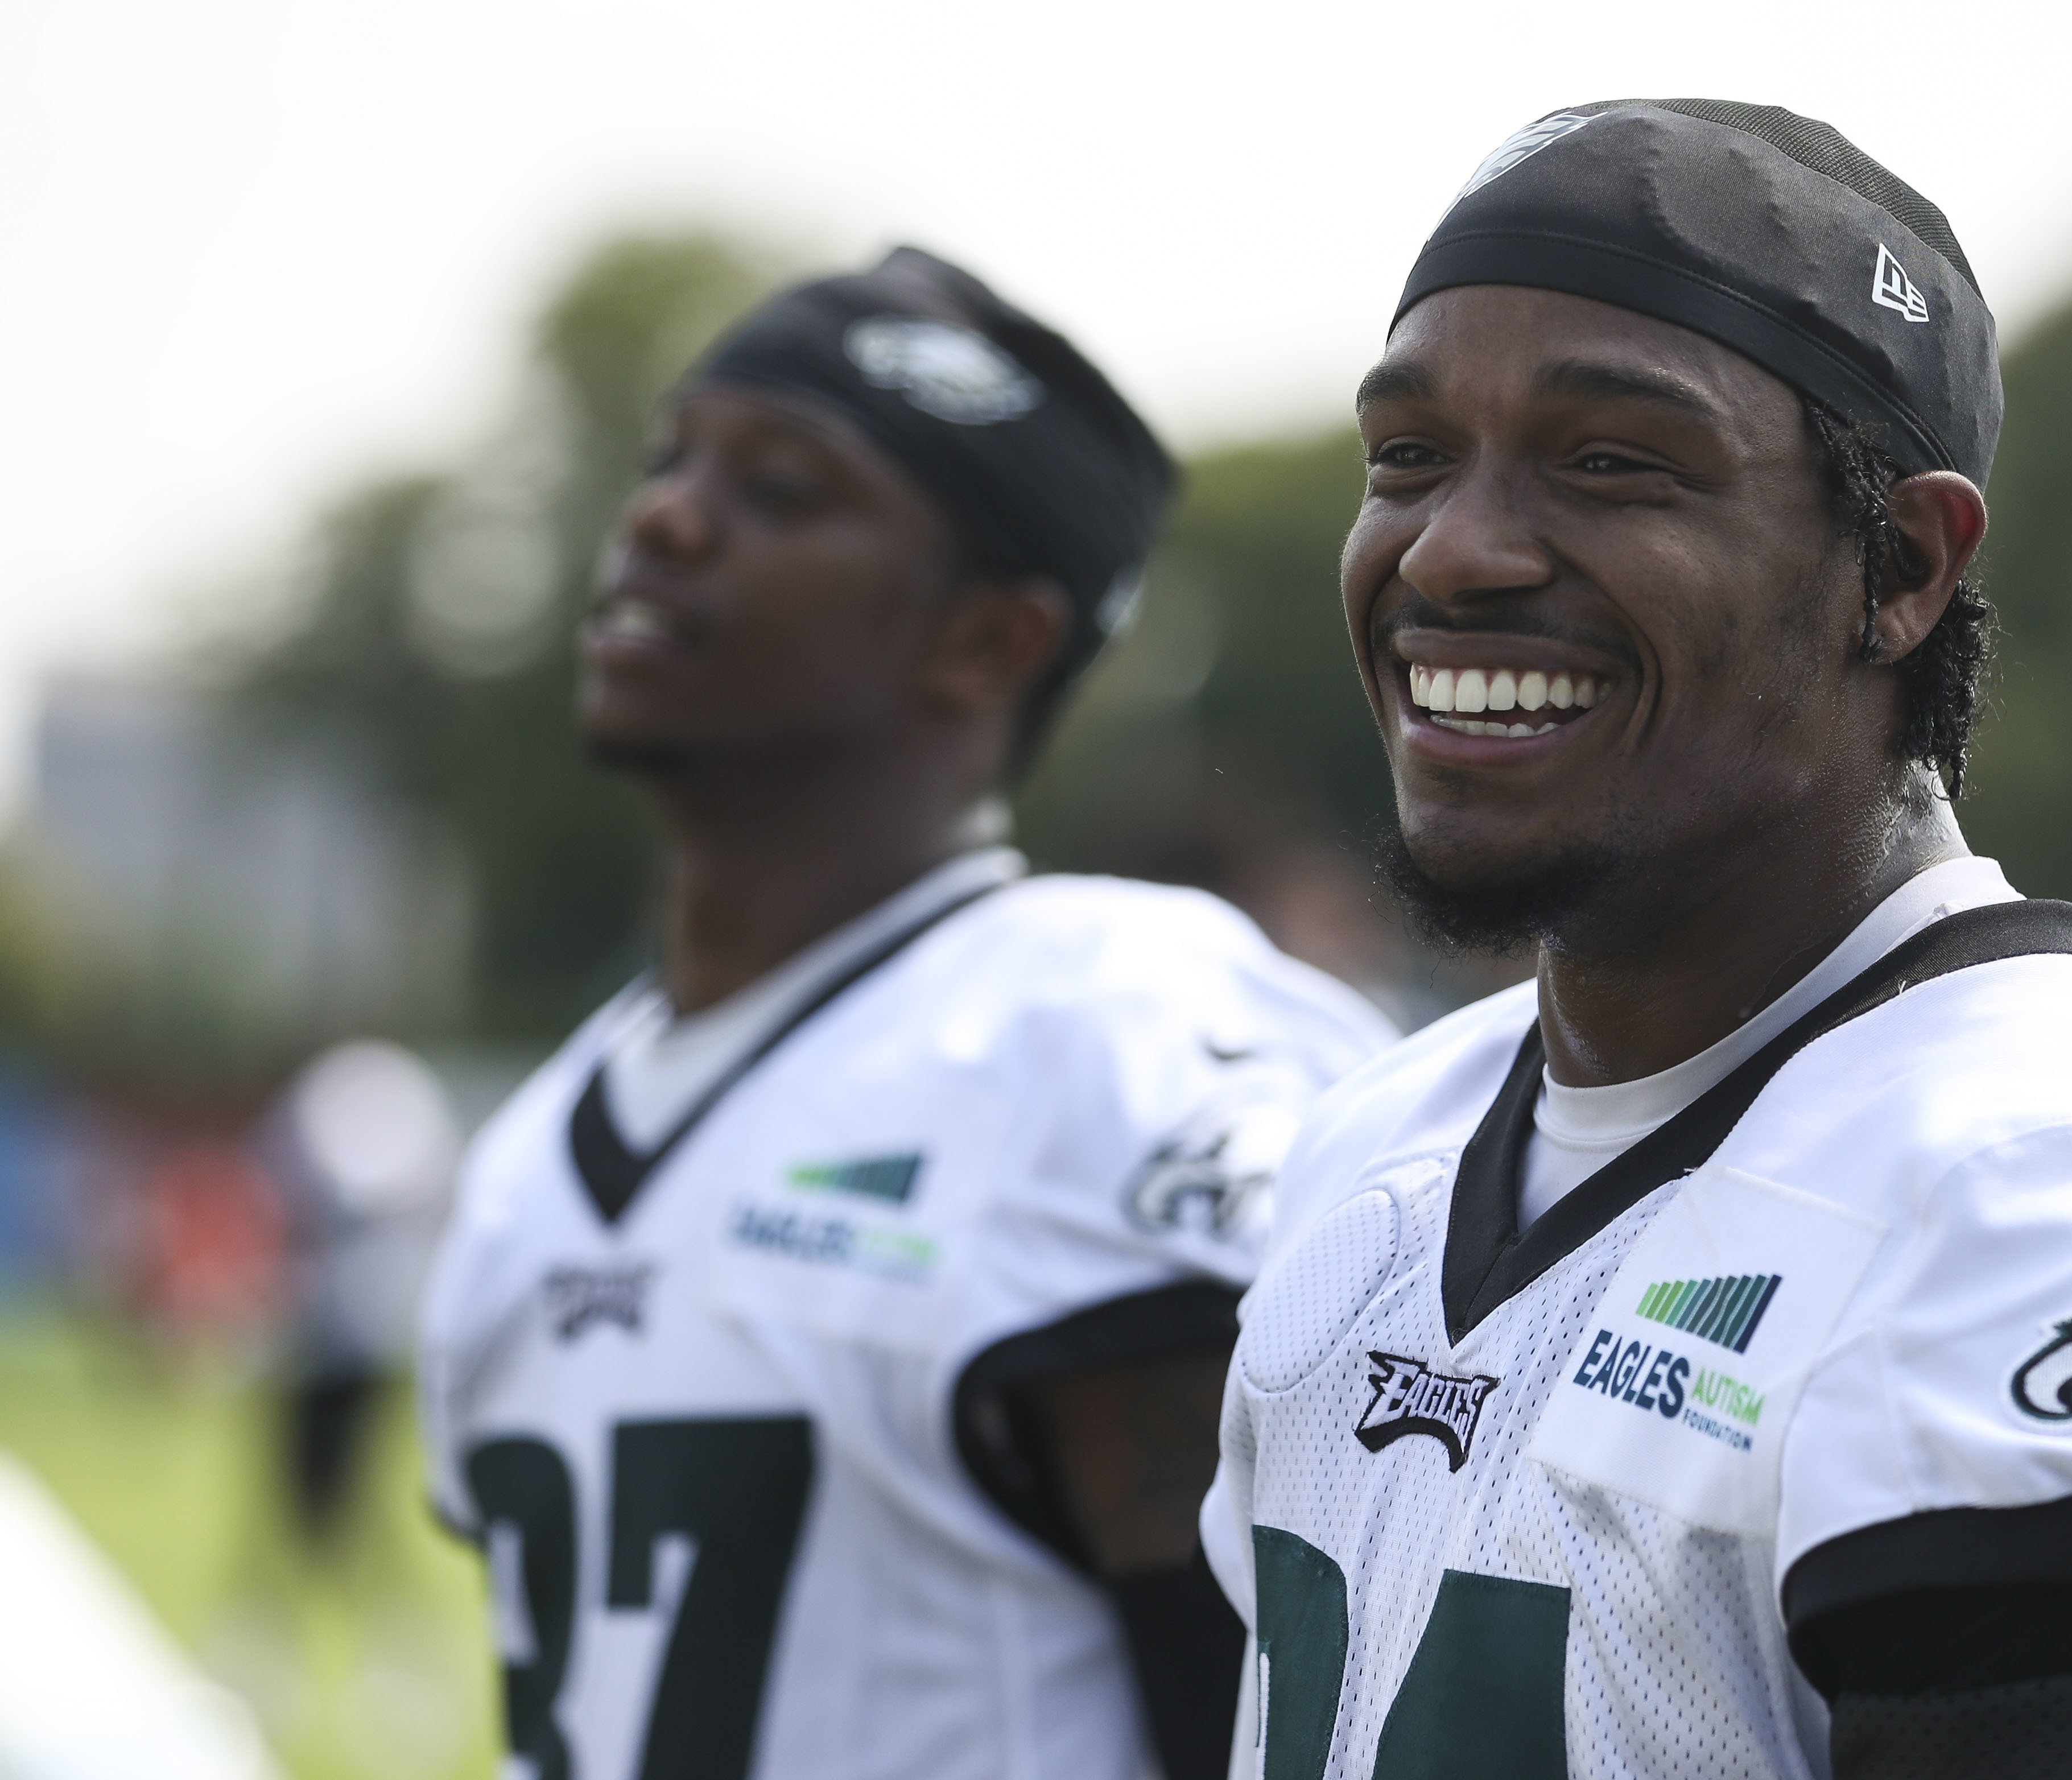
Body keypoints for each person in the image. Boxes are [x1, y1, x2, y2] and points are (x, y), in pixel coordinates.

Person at [1200, 101, 2072, 1780]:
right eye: (1410, 457)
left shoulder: (2056, 1186)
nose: (1454, 548)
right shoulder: (1376, 1149)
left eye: (1612, 461)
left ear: (1901, 566)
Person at [417, 246, 1393, 1780]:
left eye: (783, 489)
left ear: (989, 638)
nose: (663, 517)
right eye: (670, 459)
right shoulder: (532, 1144)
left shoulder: (1100, 1037)